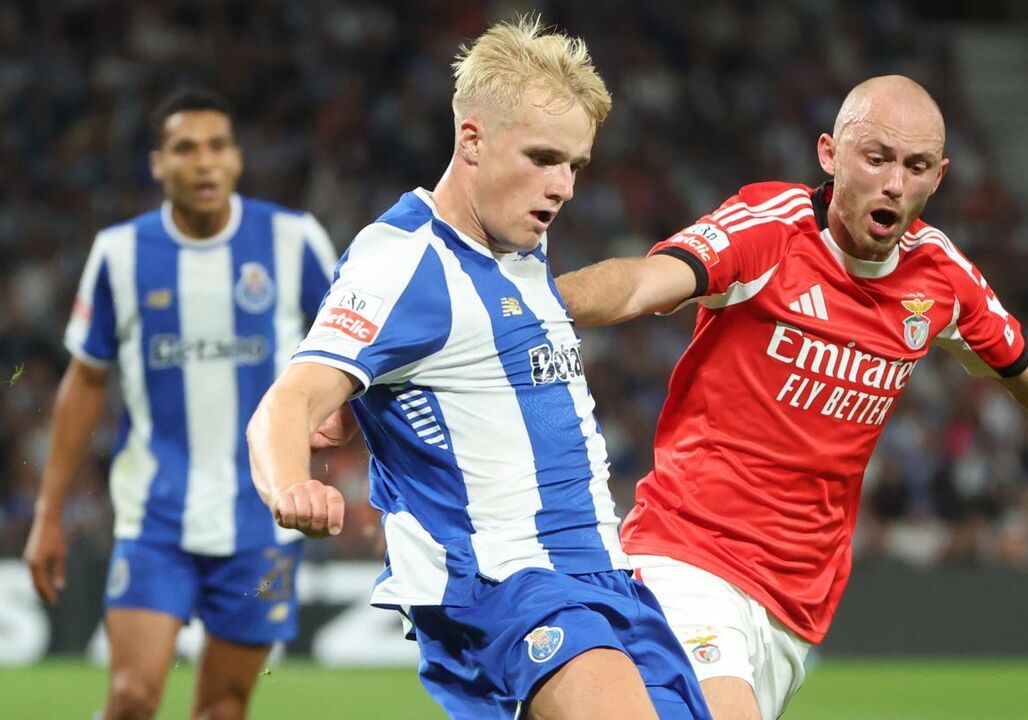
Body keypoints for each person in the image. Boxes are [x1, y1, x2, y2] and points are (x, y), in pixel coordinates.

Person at [555, 74, 1028, 719]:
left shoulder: (940, 279)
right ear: (830, 154)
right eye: (877, 157)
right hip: (688, 557)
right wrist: (538, 302)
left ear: (939, 178)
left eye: (916, 167)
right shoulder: (770, 230)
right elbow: (646, 283)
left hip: (794, 607)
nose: (894, 183)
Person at [245, 18, 711, 720]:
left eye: (575, 166)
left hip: (602, 575)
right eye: (544, 157)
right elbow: (290, 400)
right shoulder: (403, 260)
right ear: (472, 139)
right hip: (505, 583)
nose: (563, 188)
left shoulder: (518, 246)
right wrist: (290, 486)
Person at [22, 88, 337, 720]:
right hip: (154, 521)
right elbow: (85, 383)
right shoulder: (121, 253)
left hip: (262, 524)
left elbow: (351, 350)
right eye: (185, 148)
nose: (204, 162)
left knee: (222, 707)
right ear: (158, 164)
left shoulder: (291, 239)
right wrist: (48, 512)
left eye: (218, 146)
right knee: (131, 697)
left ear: (238, 160)